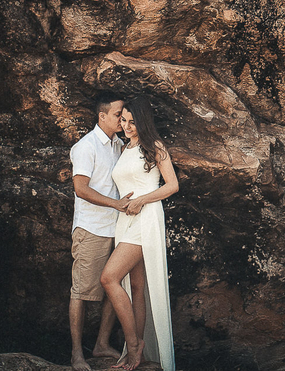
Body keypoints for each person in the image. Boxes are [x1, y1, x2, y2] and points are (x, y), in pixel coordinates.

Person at [100, 94, 179, 371]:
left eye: (133, 121)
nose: (127, 126)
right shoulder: (123, 148)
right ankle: (138, 356)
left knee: (109, 277)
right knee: (136, 288)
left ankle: (134, 344)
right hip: (126, 221)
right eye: (123, 120)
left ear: (143, 122)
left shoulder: (155, 146)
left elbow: (172, 186)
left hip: (145, 219)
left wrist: (142, 200)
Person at [69, 92, 132, 371]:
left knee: (113, 285)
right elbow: (80, 189)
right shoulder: (86, 146)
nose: (122, 119)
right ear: (102, 116)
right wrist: (117, 204)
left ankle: (101, 344)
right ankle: (76, 355)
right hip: (92, 228)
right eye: (118, 114)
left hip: (117, 228)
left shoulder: (120, 144)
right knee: (81, 291)